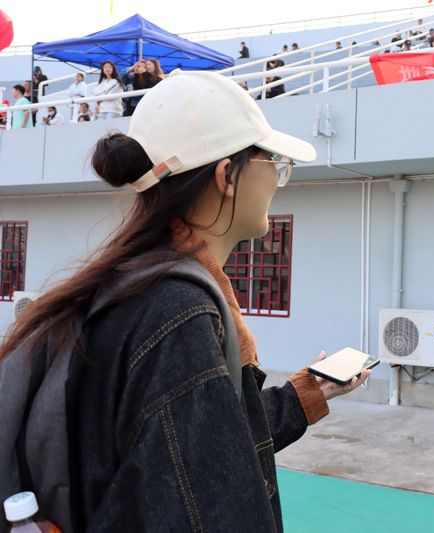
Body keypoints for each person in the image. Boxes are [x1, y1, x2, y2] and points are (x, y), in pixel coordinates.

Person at [0, 70, 370, 531]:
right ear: (226, 175)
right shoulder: (179, 311)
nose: (278, 179)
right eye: (272, 161)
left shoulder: (139, 285)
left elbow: (207, 446)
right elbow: (205, 497)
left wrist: (305, 395)